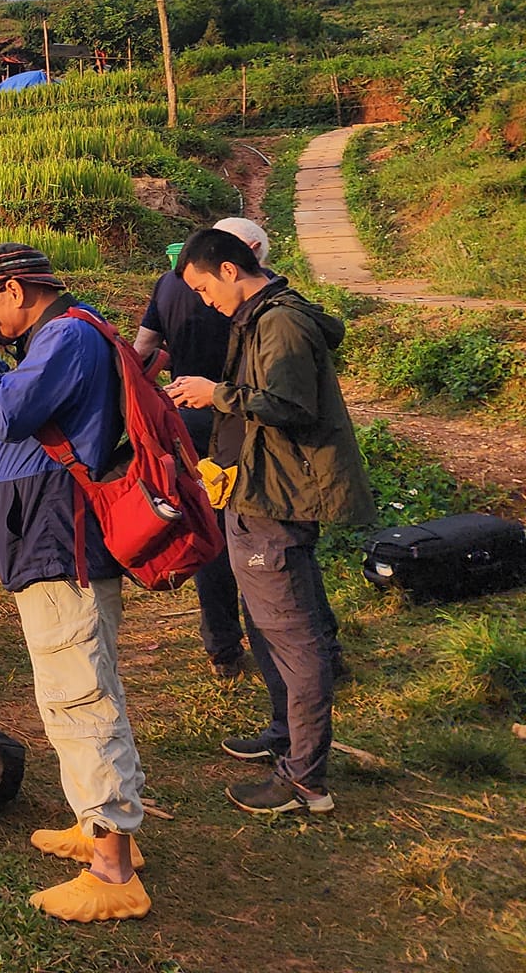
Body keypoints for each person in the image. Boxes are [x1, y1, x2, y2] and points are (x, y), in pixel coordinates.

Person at [0, 243, 151, 923]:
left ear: (21, 289)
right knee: (71, 689)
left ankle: (114, 870)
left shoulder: (65, 336)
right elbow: (19, 409)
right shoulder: (58, 335)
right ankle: (99, 827)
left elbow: (0, 416)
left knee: (80, 694)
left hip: (63, 541)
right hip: (49, 537)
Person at [168, 227, 376, 817]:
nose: (205, 301)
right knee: (267, 623)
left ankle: (305, 779)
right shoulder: (258, 317)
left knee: (294, 636)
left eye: (205, 288)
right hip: (255, 490)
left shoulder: (280, 322)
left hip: (278, 498)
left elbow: (289, 404)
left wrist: (218, 394)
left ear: (231, 270)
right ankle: (285, 736)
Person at [135, 217, 265, 680]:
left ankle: (223, 647)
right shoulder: (256, 305)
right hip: (239, 419)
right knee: (254, 529)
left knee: (210, 527)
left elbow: (144, 348)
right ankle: (270, 634)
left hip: (185, 418)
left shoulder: (168, 284)